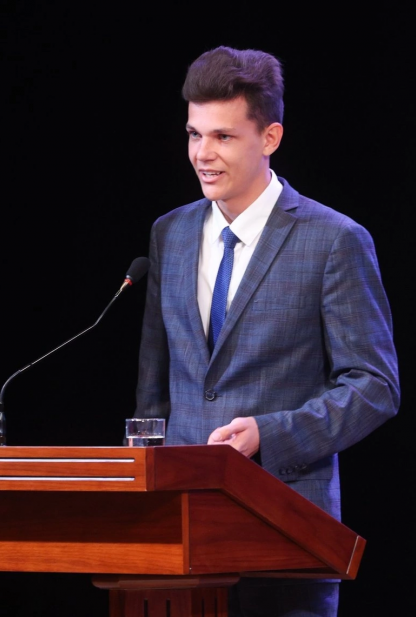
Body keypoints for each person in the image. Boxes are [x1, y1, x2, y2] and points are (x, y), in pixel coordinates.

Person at [133, 45, 401, 617]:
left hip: (285, 530)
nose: (202, 154)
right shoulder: (169, 234)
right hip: (178, 537)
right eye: (194, 134)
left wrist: (269, 434)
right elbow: (154, 389)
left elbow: (375, 386)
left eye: (223, 137)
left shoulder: (334, 240)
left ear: (270, 138)